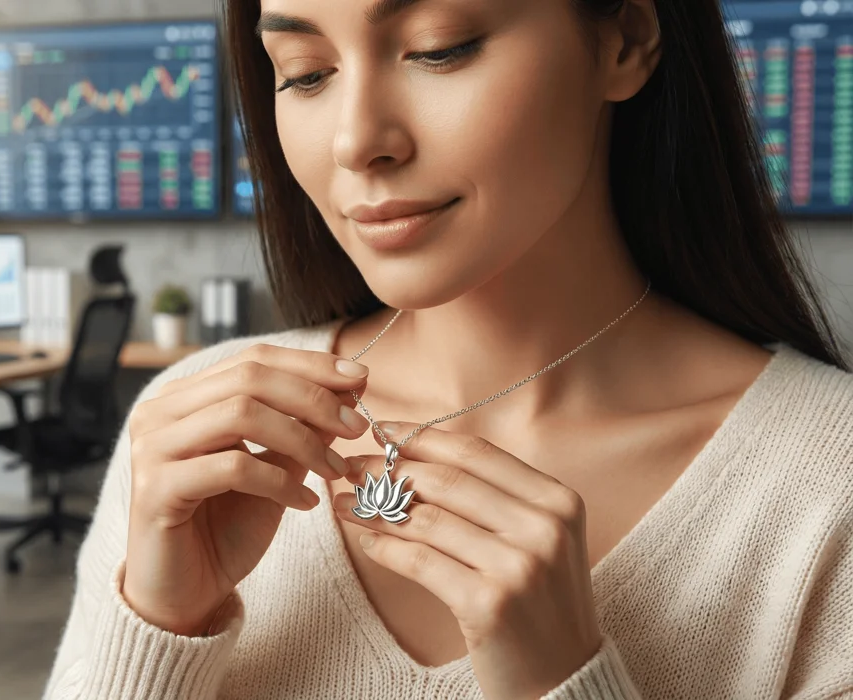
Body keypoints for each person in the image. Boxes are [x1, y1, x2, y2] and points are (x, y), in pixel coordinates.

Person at [46, 0, 853, 697]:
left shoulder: (828, 484)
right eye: (304, 72)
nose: (358, 141)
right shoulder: (198, 428)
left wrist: (564, 682)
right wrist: (156, 627)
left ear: (624, 41)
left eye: (438, 47)